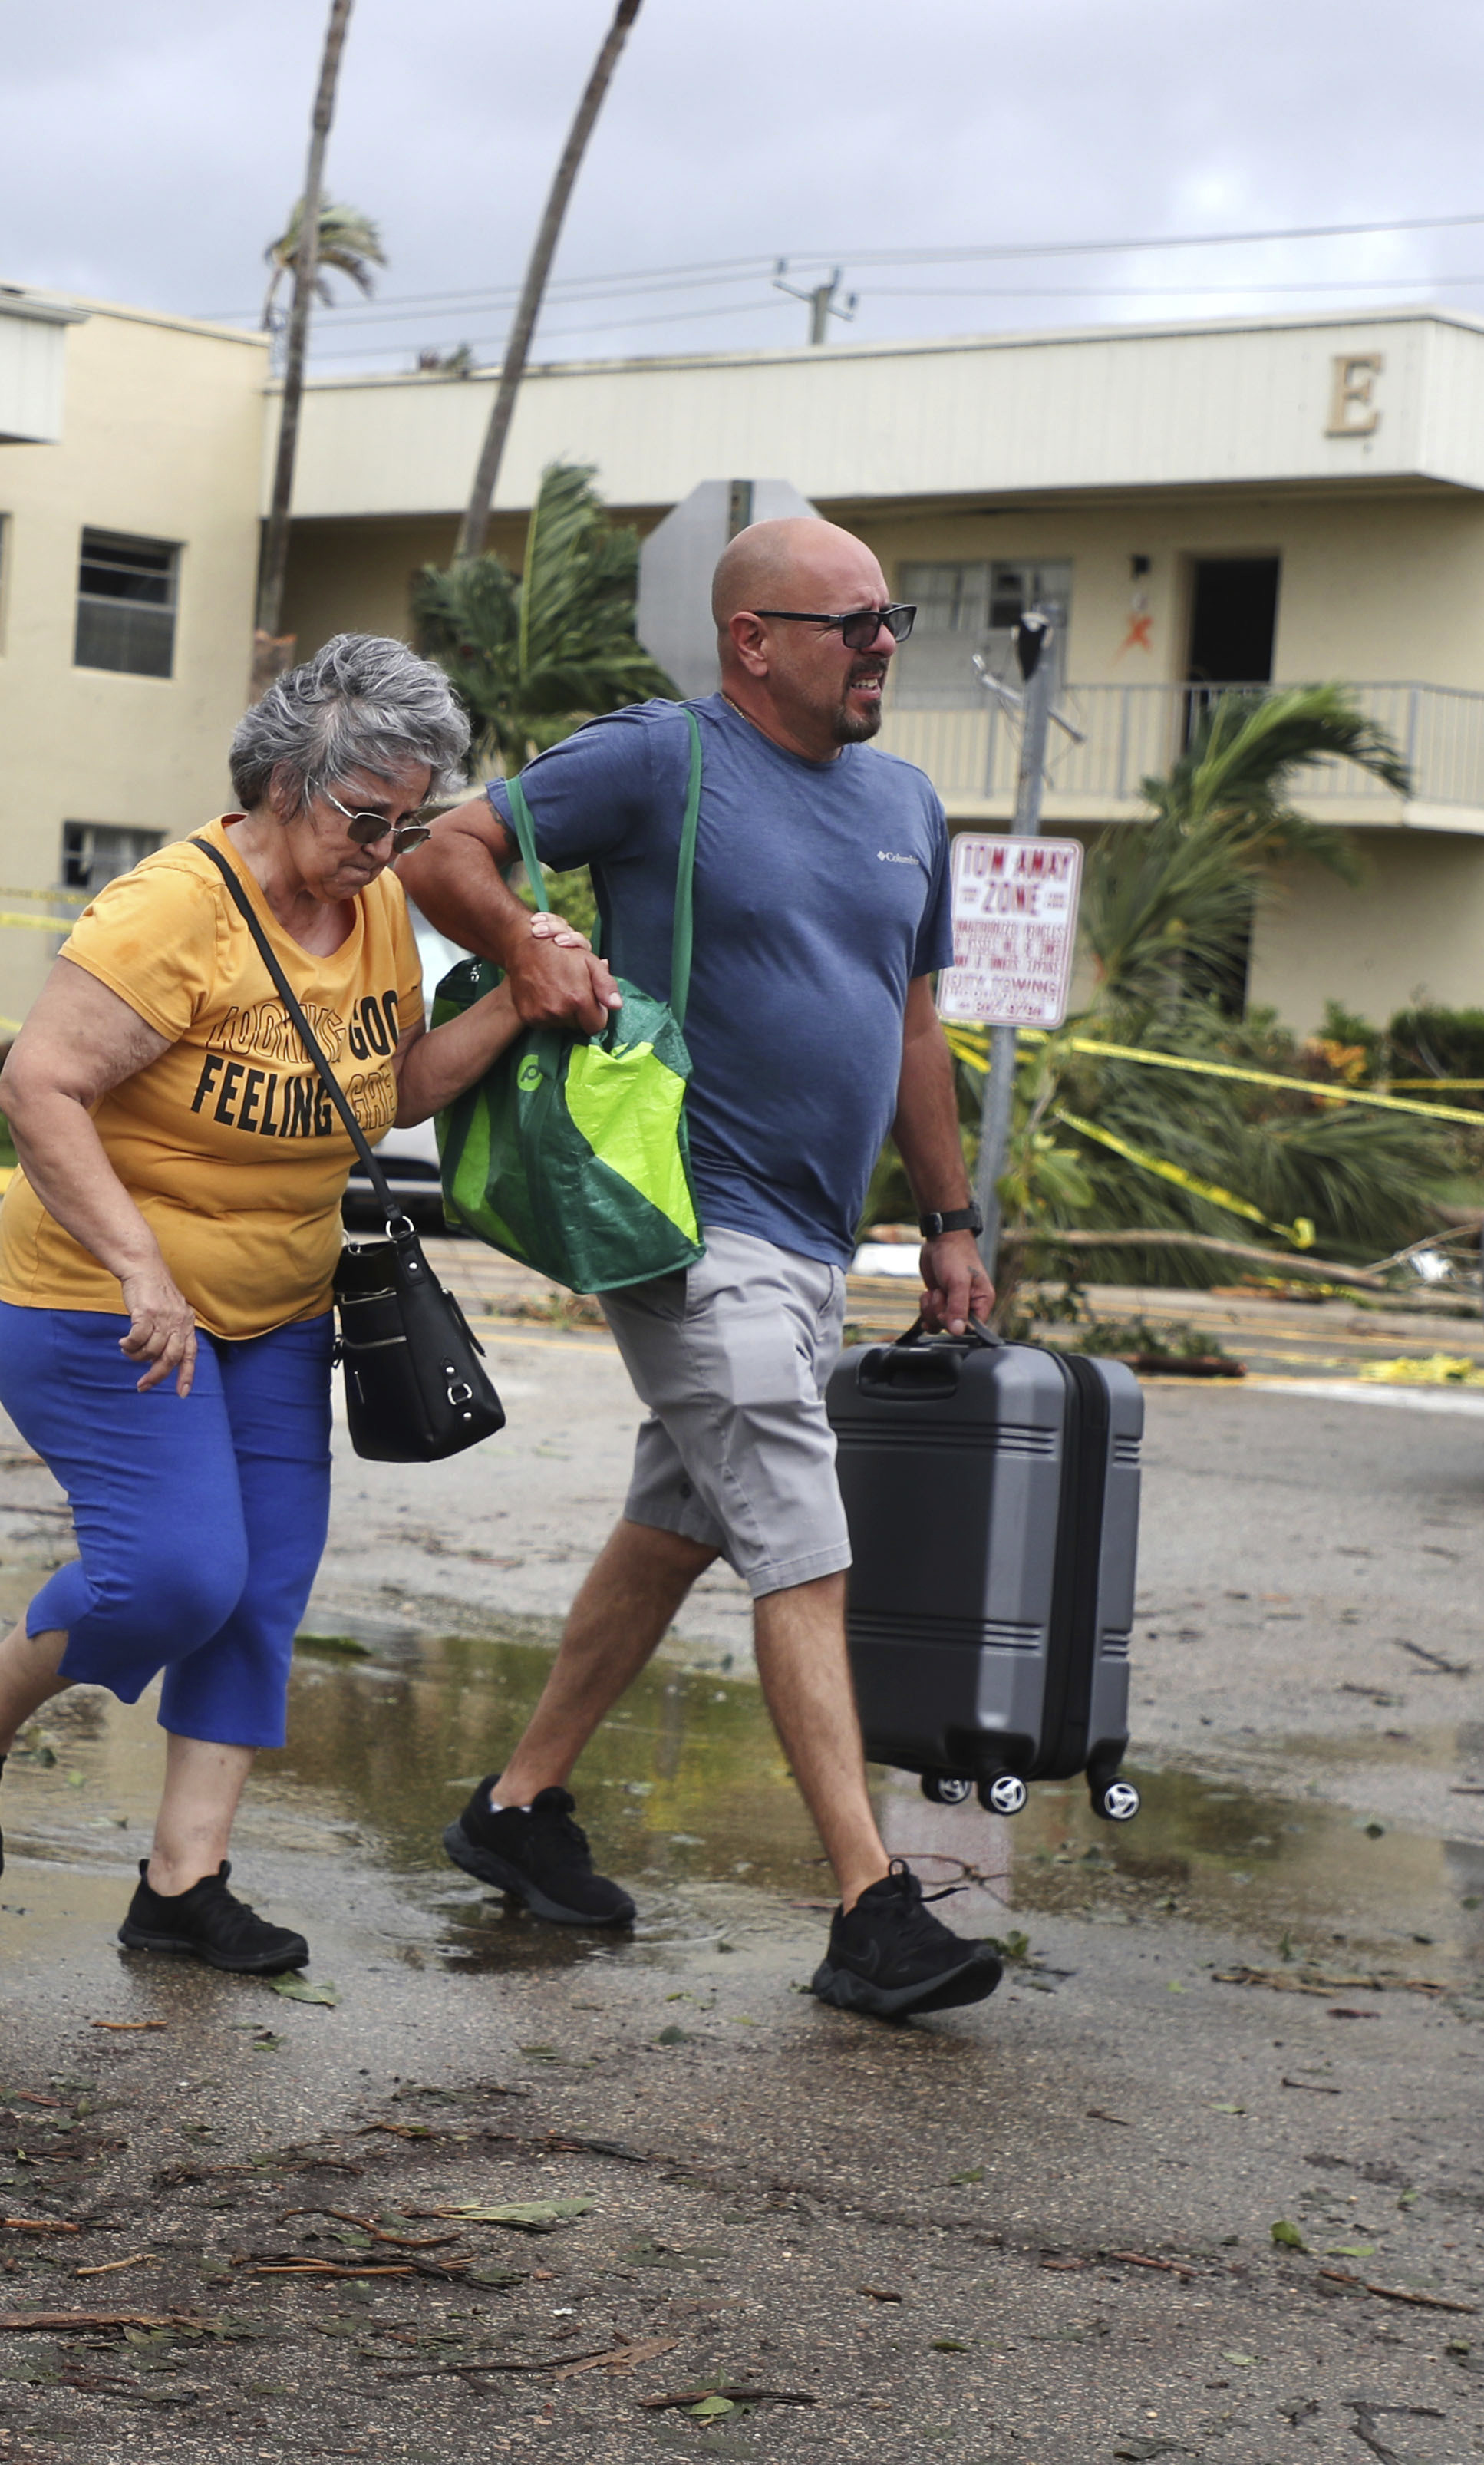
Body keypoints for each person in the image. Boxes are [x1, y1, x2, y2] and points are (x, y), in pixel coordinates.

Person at [394, 516, 1009, 2021]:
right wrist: (532, 936)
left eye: (890, 621)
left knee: (677, 1515)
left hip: (810, 1245)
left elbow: (912, 1024)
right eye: (849, 622)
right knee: (799, 1530)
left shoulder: (905, 804)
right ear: (752, 640)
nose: (880, 645)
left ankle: (518, 1806)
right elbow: (440, 845)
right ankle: (870, 1903)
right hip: (683, 1220)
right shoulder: (663, 759)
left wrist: (947, 1220)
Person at [0, 634, 577, 1975]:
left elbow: (386, 1090)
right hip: (104, 1306)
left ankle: (182, 1886)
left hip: (279, 1310)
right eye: (364, 821)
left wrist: (515, 998)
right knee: (174, 1577)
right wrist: (139, 1261)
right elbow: (37, 1088)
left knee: (260, 1592)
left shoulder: (374, 906)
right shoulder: (171, 913)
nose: (386, 854)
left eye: (409, 823)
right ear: (282, 788)